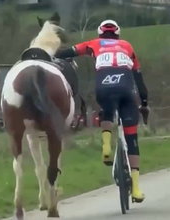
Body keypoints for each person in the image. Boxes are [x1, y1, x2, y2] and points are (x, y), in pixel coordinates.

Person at [55, 19, 149, 202]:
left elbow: (68, 52)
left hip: (104, 87)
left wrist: (48, 53)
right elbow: (139, 78)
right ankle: (136, 189)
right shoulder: (127, 46)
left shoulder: (94, 43)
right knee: (131, 138)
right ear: (118, 33)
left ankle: (106, 146)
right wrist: (144, 103)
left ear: (100, 33)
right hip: (127, 89)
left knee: (106, 108)